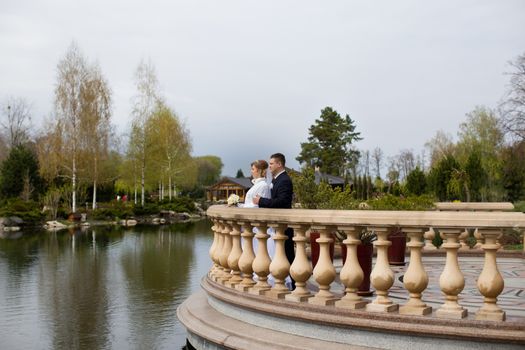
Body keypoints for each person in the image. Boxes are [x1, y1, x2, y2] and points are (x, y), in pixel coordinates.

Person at [253, 153, 295, 288]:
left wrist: (261, 201)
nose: (269, 166)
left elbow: (282, 202)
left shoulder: (285, 180)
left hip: (284, 224)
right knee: (281, 254)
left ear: (279, 164)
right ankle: (285, 282)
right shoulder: (277, 179)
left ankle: (293, 284)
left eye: (271, 164)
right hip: (277, 225)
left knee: (287, 254)